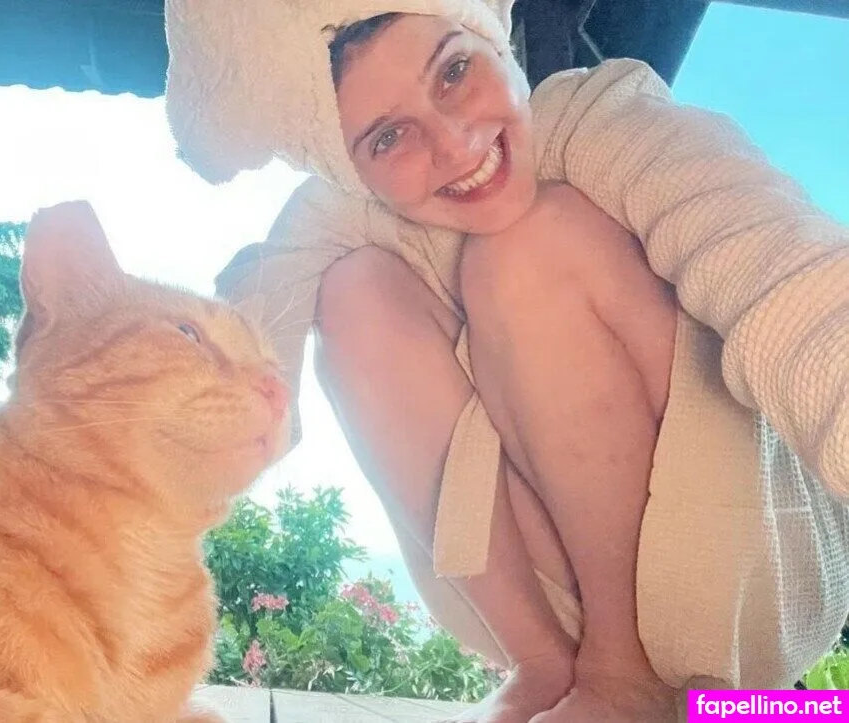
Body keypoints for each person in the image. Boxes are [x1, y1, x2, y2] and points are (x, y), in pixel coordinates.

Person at [164, 0, 849, 722]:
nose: (455, 145)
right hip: (558, 599)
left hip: (747, 566)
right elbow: (244, 349)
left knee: (523, 249)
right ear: (347, 164)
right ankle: (546, 666)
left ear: (496, 41)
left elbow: (783, 276)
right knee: (351, 294)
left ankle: (629, 674)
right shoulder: (342, 213)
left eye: (454, 70)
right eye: (389, 137)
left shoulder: (605, 120)